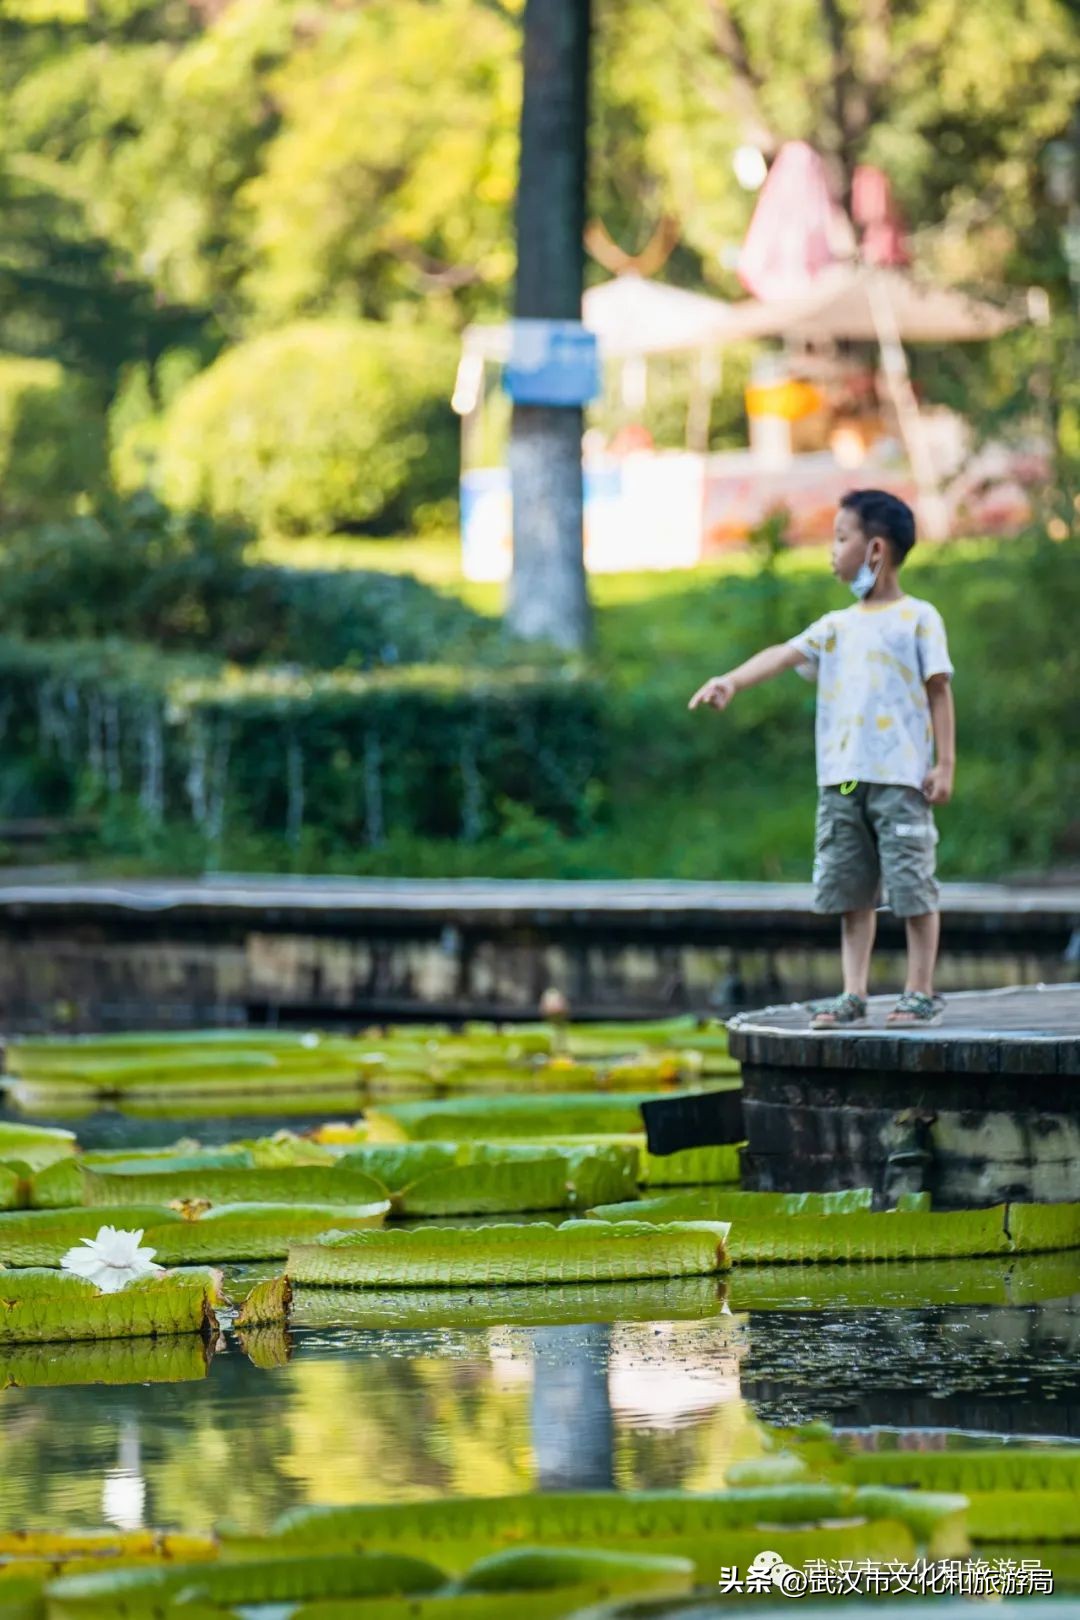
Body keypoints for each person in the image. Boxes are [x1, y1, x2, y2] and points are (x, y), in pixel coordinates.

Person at [689, 489, 955, 1029]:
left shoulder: (918, 618)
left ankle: (919, 990)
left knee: (912, 886)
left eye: (841, 538)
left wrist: (944, 764)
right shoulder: (836, 626)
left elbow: (938, 692)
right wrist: (731, 681)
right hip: (843, 783)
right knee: (850, 890)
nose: (832, 550)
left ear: (874, 549)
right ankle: (853, 993)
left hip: (901, 779)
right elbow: (782, 654)